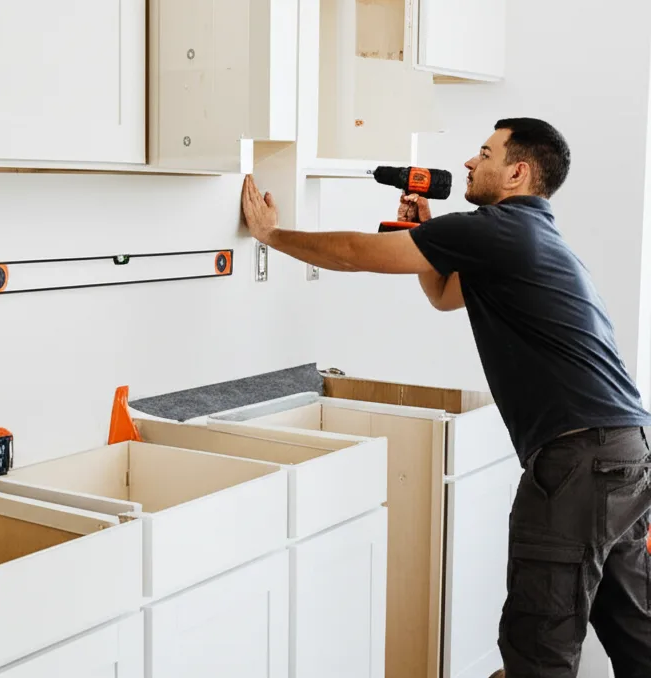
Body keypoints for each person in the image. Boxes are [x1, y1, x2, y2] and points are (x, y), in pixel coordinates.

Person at [241, 117, 651, 678]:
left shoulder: (497, 229)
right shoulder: (532, 235)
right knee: (635, 633)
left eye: (484, 153)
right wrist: (429, 237)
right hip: (625, 454)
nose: (468, 163)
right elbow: (444, 294)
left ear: (517, 172)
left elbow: (354, 253)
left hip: (579, 458)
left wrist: (271, 236)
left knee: (540, 641)